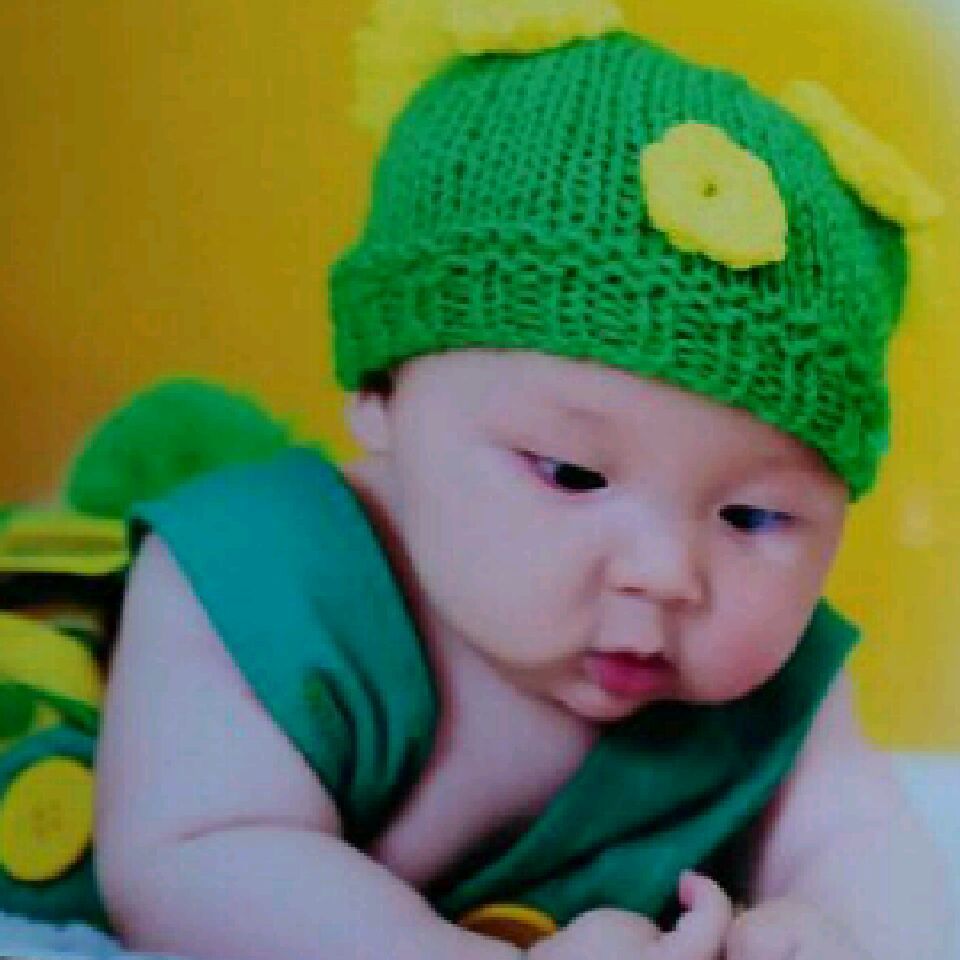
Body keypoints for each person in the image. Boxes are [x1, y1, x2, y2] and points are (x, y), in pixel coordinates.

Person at [2, 2, 954, 958]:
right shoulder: (258, 578)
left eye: (753, 516)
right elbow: (192, 858)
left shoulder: (775, 689)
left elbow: (860, 840)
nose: (666, 571)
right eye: (573, 473)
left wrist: (834, 936)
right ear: (380, 393)